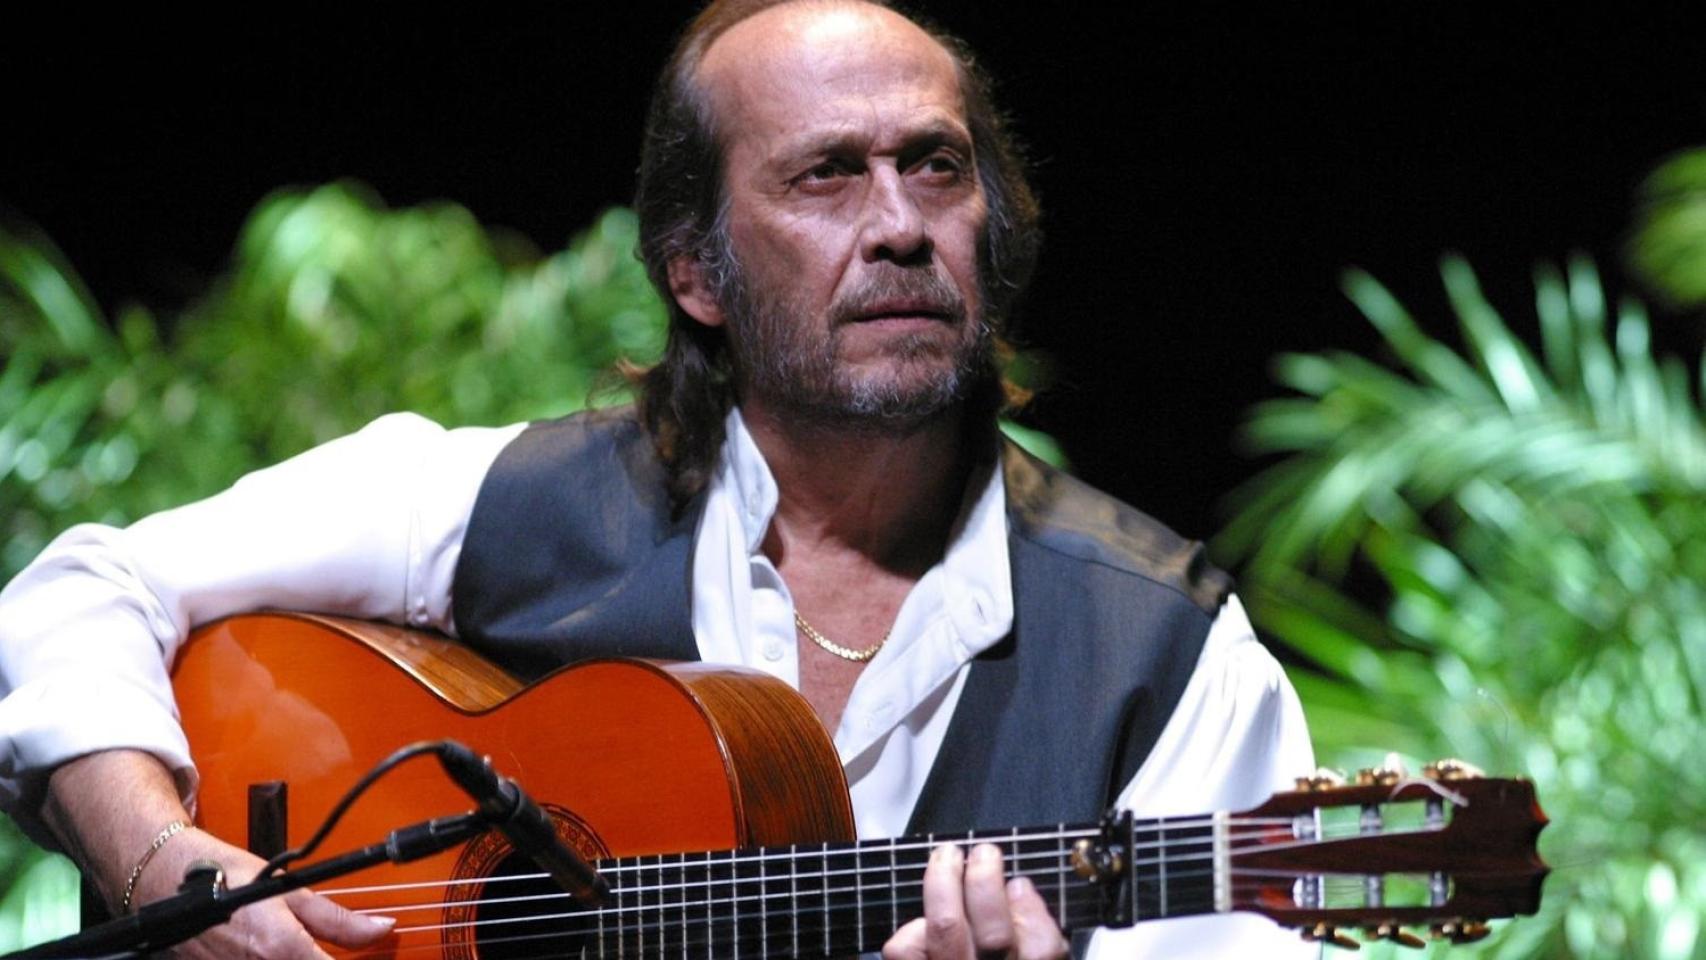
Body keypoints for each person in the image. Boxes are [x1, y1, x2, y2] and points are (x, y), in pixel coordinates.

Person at [0, 1, 1315, 957]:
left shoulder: (1163, 651)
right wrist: (162, 866)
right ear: (695, 274)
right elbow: (78, 589)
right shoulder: (506, 503)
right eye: (826, 175)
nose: (901, 225)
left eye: (935, 166)